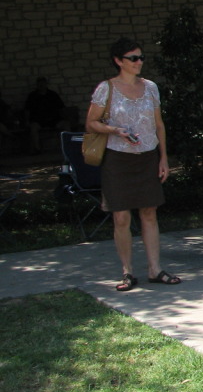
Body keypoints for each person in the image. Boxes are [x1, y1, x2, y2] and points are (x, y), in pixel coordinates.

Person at [86, 38, 180, 292]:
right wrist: (115, 130)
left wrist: (163, 158)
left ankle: (155, 269)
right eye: (133, 58)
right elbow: (91, 123)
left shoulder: (150, 87)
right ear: (119, 61)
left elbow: (159, 125)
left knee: (149, 212)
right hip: (117, 159)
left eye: (141, 58)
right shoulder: (106, 89)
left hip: (147, 156)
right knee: (121, 217)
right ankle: (127, 272)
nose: (139, 62)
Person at [24, 77, 69, 153]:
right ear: (37, 85)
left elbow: (61, 108)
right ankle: (37, 149)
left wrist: (66, 117)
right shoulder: (32, 96)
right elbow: (27, 110)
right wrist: (27, 121)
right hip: (39, 120)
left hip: (54, 119)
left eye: (43, 84)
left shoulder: (53, 95)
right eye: (39, 84)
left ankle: (68, 146)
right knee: (33, 128)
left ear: (46, 84)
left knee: (66, 125)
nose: (41, 86)